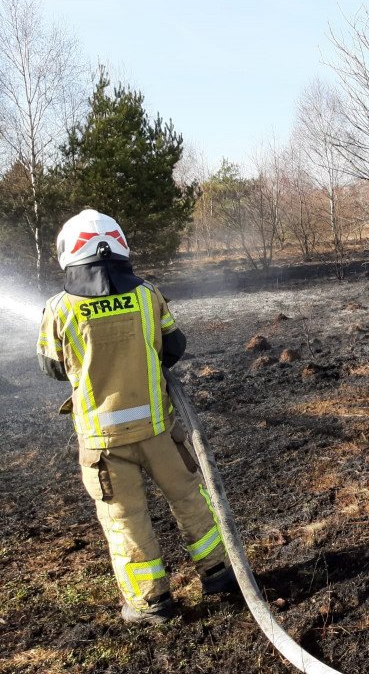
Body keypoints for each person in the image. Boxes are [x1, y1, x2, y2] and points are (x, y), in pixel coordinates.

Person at [36, 209, 236, 624]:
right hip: (158, 430)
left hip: (104, 445)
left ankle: (150, 602)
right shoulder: (147, 295)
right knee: (190, 499)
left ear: (69, 253)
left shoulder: (58, 308)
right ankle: (218, 571)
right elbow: (174, 347)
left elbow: (52, 368)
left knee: (124, 520)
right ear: (119, 245)